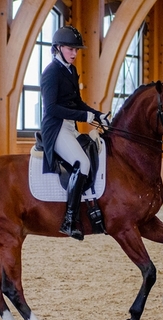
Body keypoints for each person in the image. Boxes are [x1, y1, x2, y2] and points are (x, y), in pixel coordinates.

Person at [40, 25, 109, 240]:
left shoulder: (70, 70)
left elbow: (77, 102)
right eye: (70, 49)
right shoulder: (51, 72)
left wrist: (97, 115)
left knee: (94, 152)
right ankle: (69, 219)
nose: (74, 53)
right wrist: (83, 117)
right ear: (58, 48)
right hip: (56, 127)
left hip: (70, 126)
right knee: (83, 163)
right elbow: (51, 108)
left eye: (76, 50)